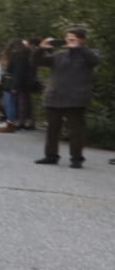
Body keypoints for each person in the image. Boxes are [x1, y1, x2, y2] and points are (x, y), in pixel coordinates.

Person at [34, 27, 101, 168]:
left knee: (76, 131)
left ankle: (76, 158)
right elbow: (37, 61)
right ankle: (51, 156)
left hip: (77, 98)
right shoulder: (59, 55)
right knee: (52, 129)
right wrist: (41, 48)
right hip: (55, 97)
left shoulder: (89, 53)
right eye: (68, 38)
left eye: (73, 38)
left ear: (82, 40)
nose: (69, 41)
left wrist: (79, 48)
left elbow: (94, 61)